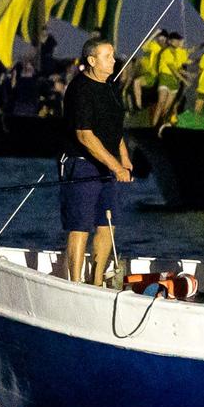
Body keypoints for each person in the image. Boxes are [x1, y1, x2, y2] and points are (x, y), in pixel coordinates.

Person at [61, 37, 134, 287]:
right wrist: (116, 166)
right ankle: (75, 281)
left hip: (108, 164)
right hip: (83, 164)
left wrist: (123, 156)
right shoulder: (80, 89)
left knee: (107, 223)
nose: (114, 60)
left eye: (113, 56)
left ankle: (96, 279)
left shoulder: (109, 86)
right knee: (80, 225)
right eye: (107, 56)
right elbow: (85, 135)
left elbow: (114, 128)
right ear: (92, 60)